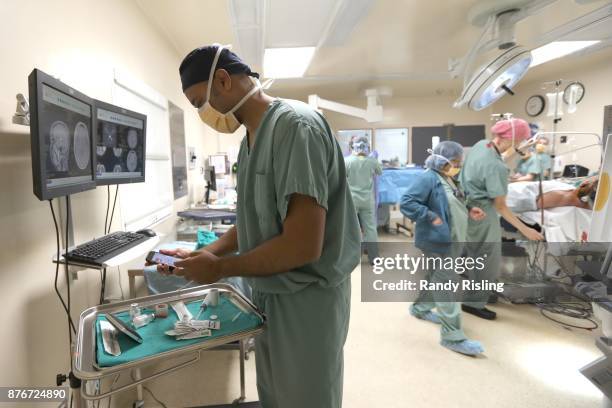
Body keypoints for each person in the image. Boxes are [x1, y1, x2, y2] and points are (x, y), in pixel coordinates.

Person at [159, 44, 360, 408]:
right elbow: (253, 220)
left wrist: (220, 268)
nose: (201, 112)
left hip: (306, 298)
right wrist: (207, 252)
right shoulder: (249, 141)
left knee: (305, 397)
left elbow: (302, 245)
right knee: (276, 394)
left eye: (197, 102)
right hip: (270, 294)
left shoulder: (297, 127)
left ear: (222, 80)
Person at [400, 141, 487, 356]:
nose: (458, 166)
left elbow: (452, 201)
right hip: (437, 242)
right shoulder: (427, 177)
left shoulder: (448, 178)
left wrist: (470, 209)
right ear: (443, 160)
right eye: (455, 162)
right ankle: (453, 337)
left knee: (436, 277)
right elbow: (407, 202)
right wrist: (430, 216)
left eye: (459, 162)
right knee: (446, 283)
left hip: (453, 239)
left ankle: (419, 308)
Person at [459, 118, 544, 320]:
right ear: (513, 138)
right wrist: (526, 229)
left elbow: (500, 156)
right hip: (484, 214)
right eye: (520, 140)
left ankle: (476, 294)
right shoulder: (496, 168)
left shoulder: (482, 145)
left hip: (469, 208)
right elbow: (500, 206)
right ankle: (474, 303)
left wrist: (520, 147)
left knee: (475, 258)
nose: (519, 144)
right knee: (487, 260)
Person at [344, 136, 382, 263]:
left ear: (352, 146)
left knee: (351, 228)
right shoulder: (372, 161)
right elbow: (379, 171)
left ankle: (352, 258)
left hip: (352, 200)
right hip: (367, 200)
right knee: (370, 228)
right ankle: (374, 258)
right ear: (367, 146)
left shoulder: (347, 161)